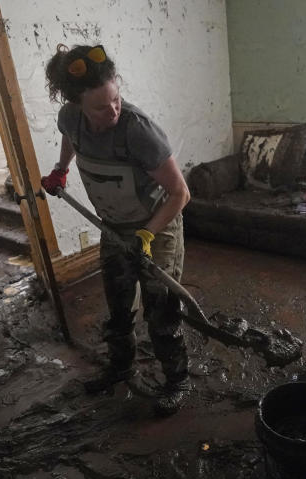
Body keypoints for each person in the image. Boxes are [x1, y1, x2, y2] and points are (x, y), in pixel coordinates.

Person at [40, 44, 192, 416]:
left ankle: (177, 380)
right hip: (113, 227)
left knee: (161, 312)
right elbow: (69, 137)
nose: (112, 111)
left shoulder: (137, 131)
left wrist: (148, 235)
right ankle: (121, 366)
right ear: (77, 104)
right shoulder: (70, 118)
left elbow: (180, 193)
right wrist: (61, 168)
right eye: (100, 107)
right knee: (119, 304)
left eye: (117, 100)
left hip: (157, 226)